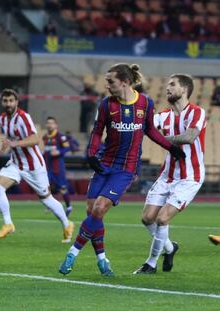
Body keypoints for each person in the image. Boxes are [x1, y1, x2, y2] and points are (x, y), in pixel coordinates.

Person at [58, 63, 186, 277]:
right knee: (92, 213)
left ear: (125, 82)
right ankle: (102, 260)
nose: (106, 85)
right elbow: (97, 132)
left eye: (111, 82)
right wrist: (91, 153)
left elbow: (151, 131)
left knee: (98, 209)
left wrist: (171, 148)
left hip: (126, 169)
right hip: (104, 163)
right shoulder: (107, 105)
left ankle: (72, 253)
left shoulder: (145, 103)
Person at [133, 74, 206, 274]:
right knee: (147, 218)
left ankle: (151, 264)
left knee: (162, 219)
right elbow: (144, 126)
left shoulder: (197, 112)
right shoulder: (163, 115)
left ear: (184, 90)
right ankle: (170, 247)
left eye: (172, 85)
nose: (167, 88)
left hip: (190, 177)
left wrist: (163, 138)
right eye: (167, 85)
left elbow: (190, 137)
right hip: (167, 175)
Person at [0, 88, 74, 242]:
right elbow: (9, 139)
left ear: (16, 102)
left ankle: (66, 224)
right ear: (2, 102)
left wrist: (15, 144)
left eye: (11, 101)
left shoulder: (24, 117)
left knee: (46, 199)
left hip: (33, 166)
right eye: (5, 101)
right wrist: (1, 150)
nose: (8, 104)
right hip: (16, 163)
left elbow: (35, 139)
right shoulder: (2, 118)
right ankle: (8, 224)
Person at [42, 116, 73, 216]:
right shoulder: (45, 137)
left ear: (56, 125)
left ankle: (68, 207)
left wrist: (59, 151)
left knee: (62, 188)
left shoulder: (61, 136)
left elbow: (68, 148)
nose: (49, 125)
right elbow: (45, 151)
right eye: (48, 123)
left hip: (57, 167)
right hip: (47, 167)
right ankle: (50, 205)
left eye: (52, 123)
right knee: (46, 187)